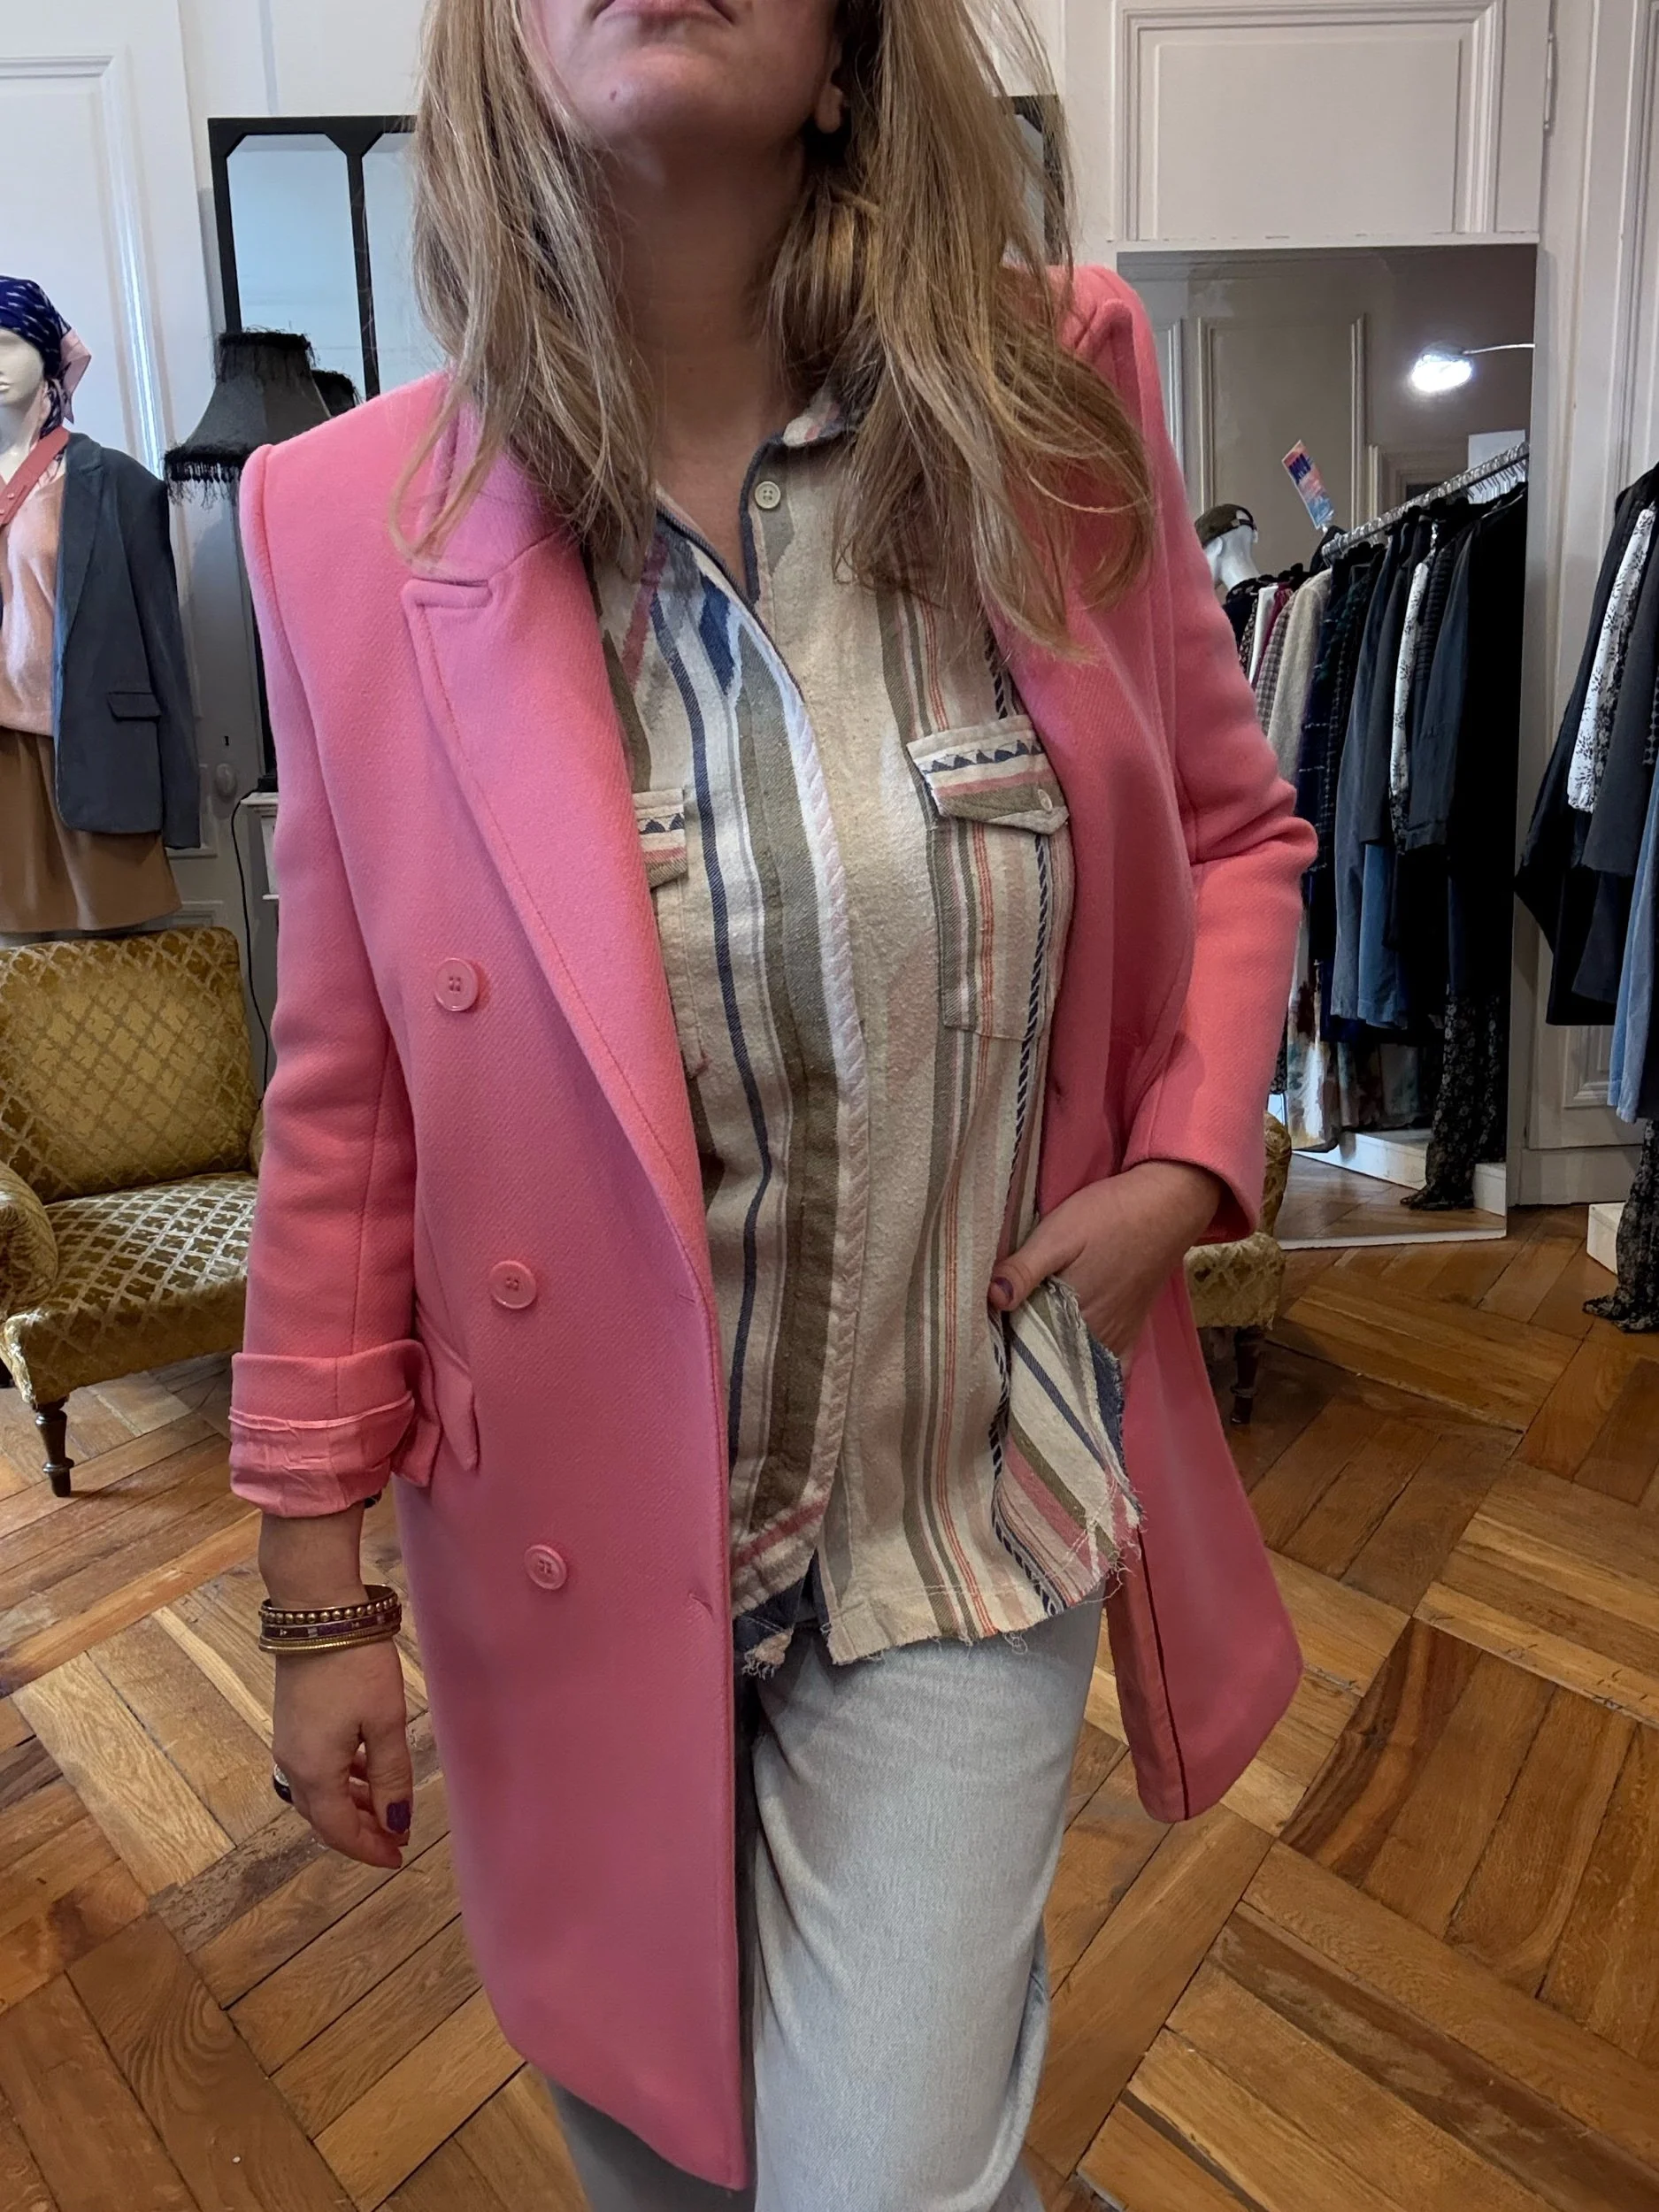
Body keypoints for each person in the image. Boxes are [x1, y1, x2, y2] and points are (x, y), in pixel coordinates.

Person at [228, 1, 1316, 2205]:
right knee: (660, 2153)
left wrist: (1192, 1157)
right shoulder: (343, 521)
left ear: (843, 53)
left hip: (954, 1499)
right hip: (563, 1556)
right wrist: (314, 1587)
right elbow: (347, 1087)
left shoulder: (1049, 391)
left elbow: (1233, 834)